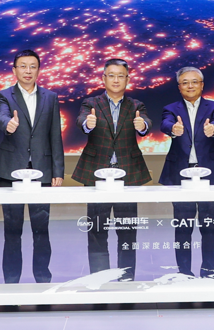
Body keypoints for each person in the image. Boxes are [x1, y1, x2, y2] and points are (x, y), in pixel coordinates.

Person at [0, 49, 65, 283]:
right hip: (11, 170)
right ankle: (11, 282)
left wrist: (58, 171)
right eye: (23, 66)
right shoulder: (4, 95)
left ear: (39, 70)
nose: (28, 71)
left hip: (42, 170)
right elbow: (1, 116)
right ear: (14, 70)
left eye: (33, 66)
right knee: (12, 230)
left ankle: (42, 279)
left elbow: (55, 135)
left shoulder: (50, 97)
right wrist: (8, 124)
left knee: (41, 230)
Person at [72, 58, 152, 280]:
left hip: (128, 173)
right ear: (103, 78)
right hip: (97, 174)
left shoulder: (136, 105)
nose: (116, 80)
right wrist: (88, 124)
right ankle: (100, 279)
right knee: (97, 231)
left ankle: (126, 279)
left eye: (120, 76)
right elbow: (81, 120)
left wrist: (143, 126)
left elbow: (146, 122)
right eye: (112, 75)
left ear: (127, 79)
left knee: (128, 232)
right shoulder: (91, 103)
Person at [159, 66, 214, 278]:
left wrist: (213, 128)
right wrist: (173, 129)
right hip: (180, 174)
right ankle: (184, 273)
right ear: (179, 87)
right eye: (185, 82)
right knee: (183, 227)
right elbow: (165, 123)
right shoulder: (170, 108)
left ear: (202, 85)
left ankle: (209, 272)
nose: (190, 86)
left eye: (194, 81)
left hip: (210, 174)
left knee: (210, 227)